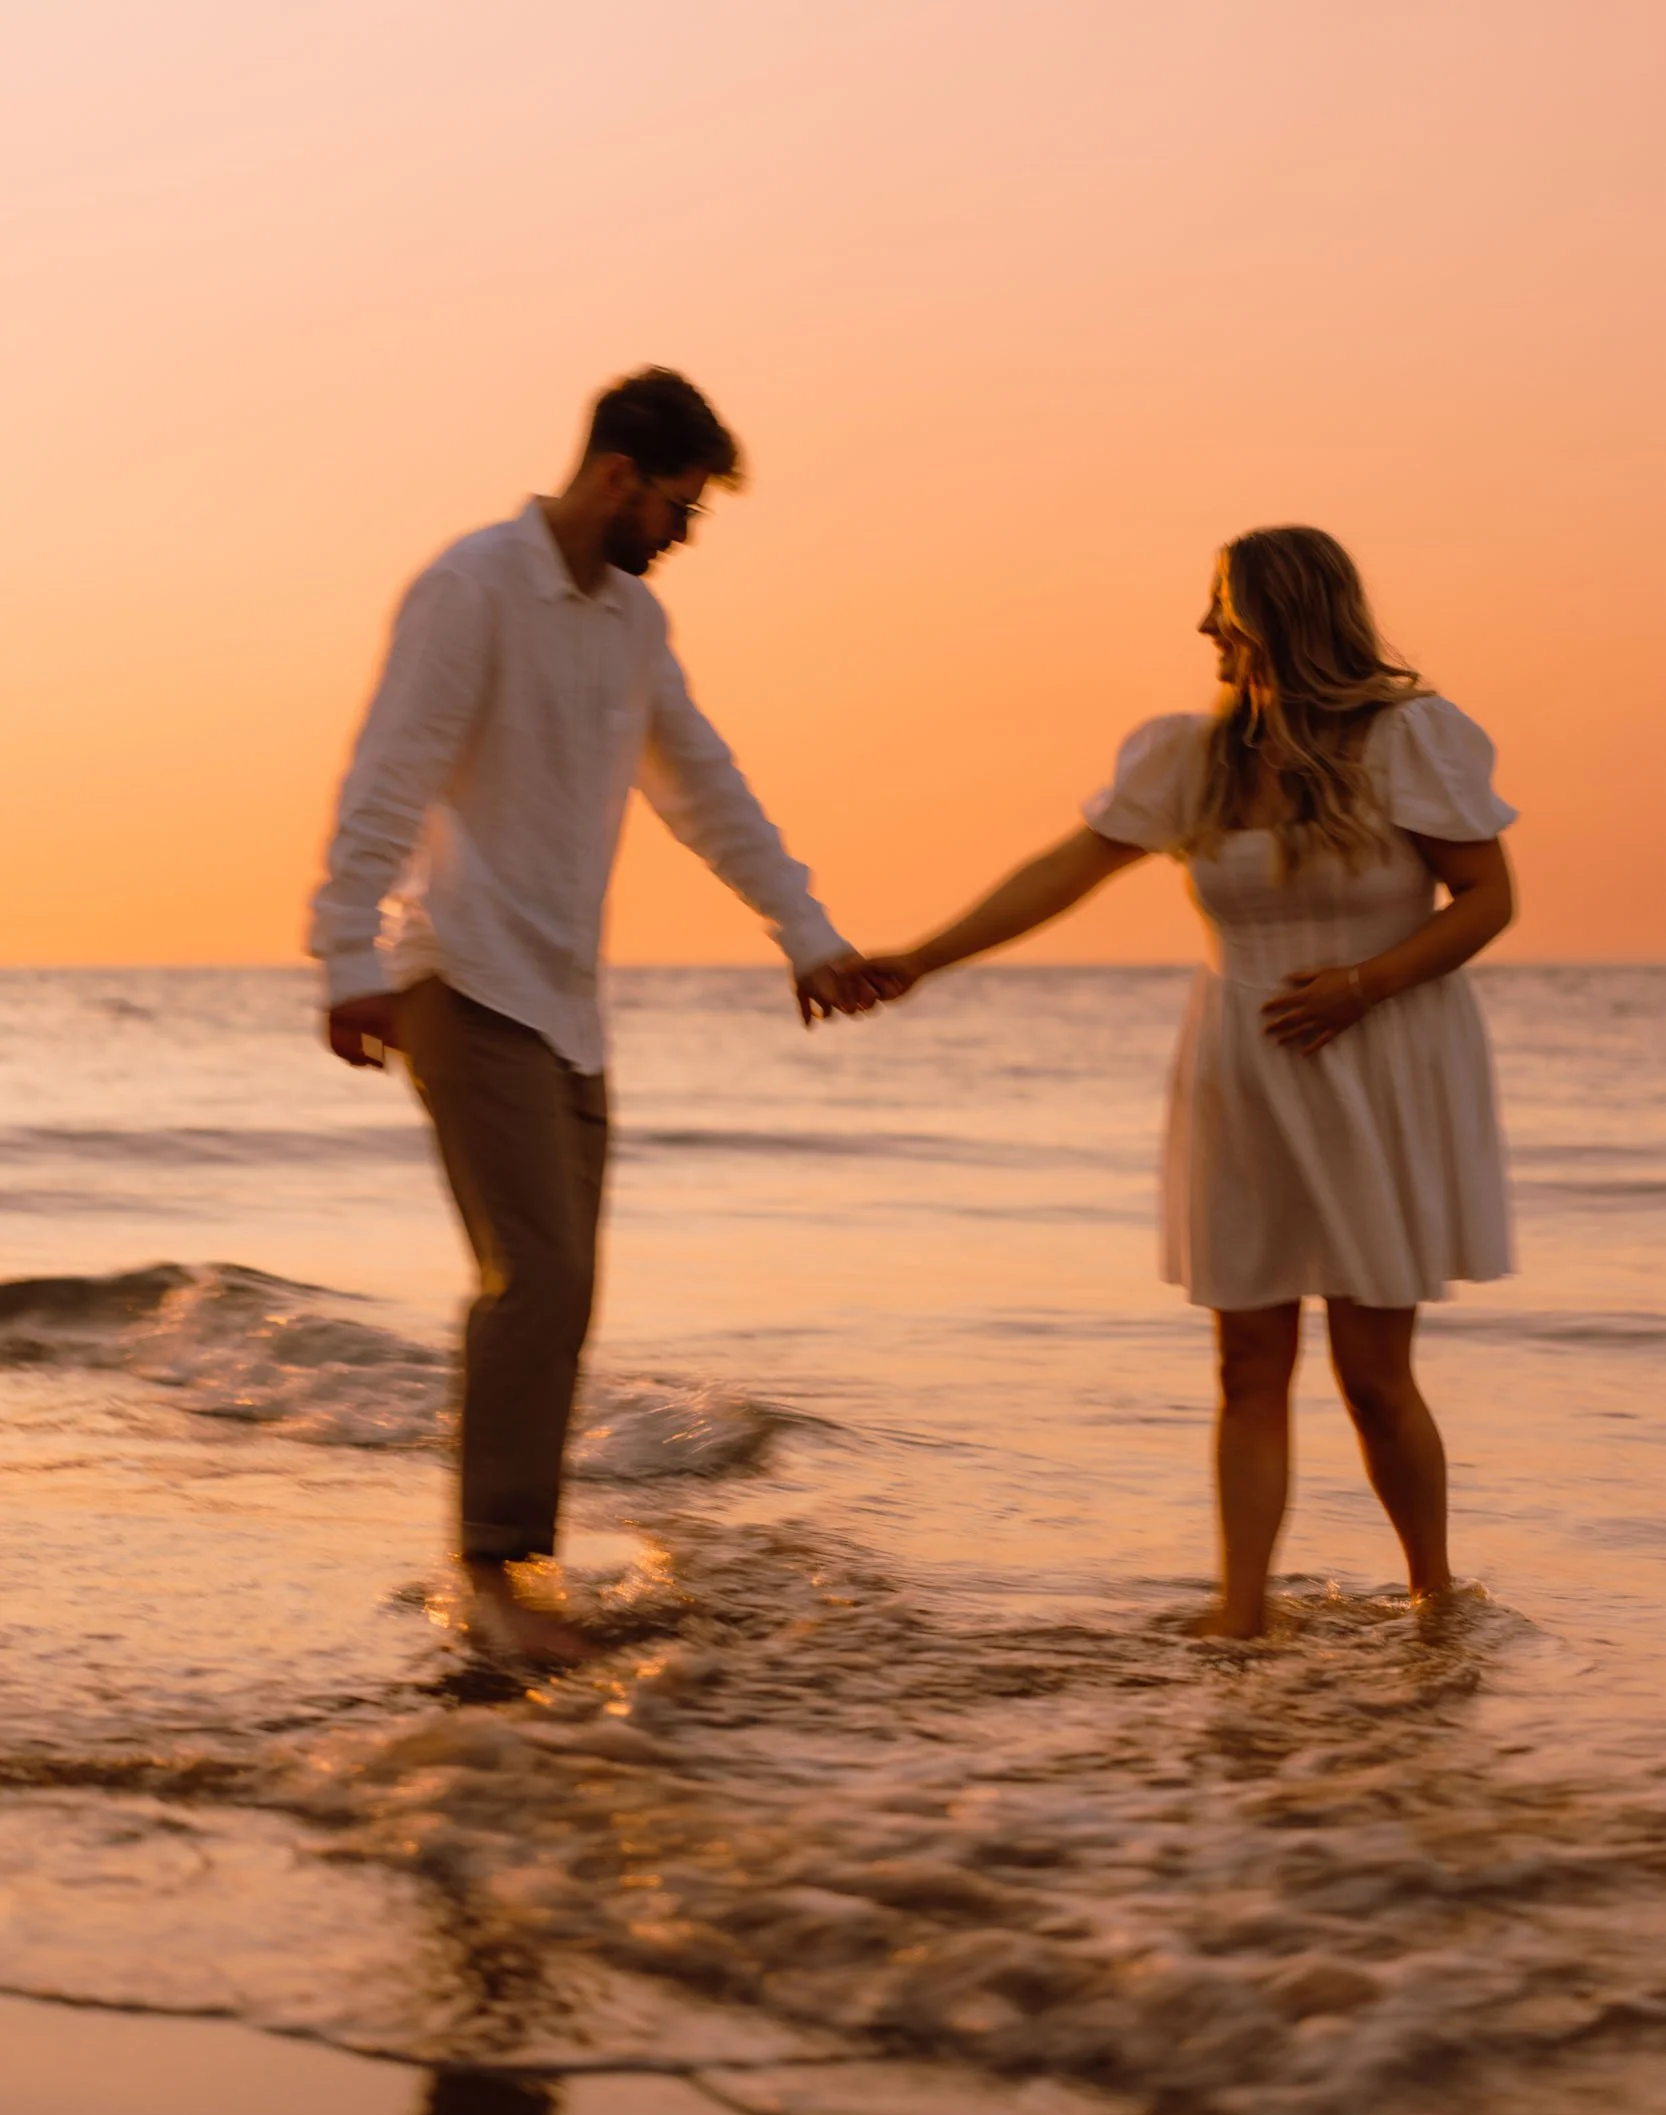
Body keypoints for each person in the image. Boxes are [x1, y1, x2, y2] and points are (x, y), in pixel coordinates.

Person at [310, 368, 876, 1660]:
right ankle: (493, 1576)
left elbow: (705, 789)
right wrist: (343, 951)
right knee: (539, 1273)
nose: (682, 535)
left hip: (568, 1005)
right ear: (618, 476)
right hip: (459, 977)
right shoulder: (472, 589)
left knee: (566, 1289)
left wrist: (807, 934)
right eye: (678, 507)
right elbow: (389, 773)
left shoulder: (630, 627)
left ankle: (517, 1566)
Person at [869, 527, 1516, 1637]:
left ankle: (1433, 1599)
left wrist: (1362, 984)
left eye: (1220, 606)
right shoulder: (1191, 759)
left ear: (1276, 617)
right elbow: (1060, 874)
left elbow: (1488, 899)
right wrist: (919, 959)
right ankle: (1242, 1612)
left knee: (1371, 1372)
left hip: (1377, 1059)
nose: (1204, 628)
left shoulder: (1411, 740)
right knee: (1245, 1358)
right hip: (1243, 1070)